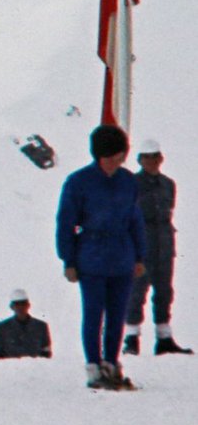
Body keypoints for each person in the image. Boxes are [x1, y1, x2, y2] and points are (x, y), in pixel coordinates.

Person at [57, 124, 145, 391]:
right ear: (100, 156)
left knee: (117, 315)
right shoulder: (78, 182)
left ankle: (112, 362)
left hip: (121, 256)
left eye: (120, 156)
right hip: (91, 256)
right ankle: (94, 365)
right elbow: (66, 222)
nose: (117, 162)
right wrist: (68, 259)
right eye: (113, 157)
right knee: (94, 313)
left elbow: (135, 220)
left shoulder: (128, 181)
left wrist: (139, 255)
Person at [129, 139, 183, 353]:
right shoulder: (132, 184)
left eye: (154, 157)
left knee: (164, 290)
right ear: (140, 160)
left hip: (164, 242)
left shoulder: (168, 184)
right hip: (141, 242)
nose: (151, 162)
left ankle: (164, 337)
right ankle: (131, 338)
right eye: (147, 158)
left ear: (161, 159)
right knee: (137, 291)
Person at [0, 290, 53, 360]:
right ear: (11, 307)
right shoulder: (1, 328)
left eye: (23, 304)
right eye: (17, 304)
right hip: (10, 370)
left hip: (34, 370)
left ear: (28, 305)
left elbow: (46, 354)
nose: (20, 307)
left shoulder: (41, 327)